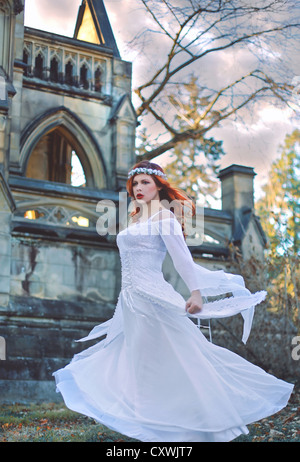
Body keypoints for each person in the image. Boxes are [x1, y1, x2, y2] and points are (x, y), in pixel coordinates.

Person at [53, 161, 294, 442]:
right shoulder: (136, 219)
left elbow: (182, 259)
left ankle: (196, 420)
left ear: (158, 186)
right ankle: (151, 424)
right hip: (131, 300)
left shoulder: (165, 218)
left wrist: (195, 292)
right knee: (138, 360)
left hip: (154, 299)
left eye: (145, 182)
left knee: (177, 359)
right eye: (135, 183)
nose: (138, 188)